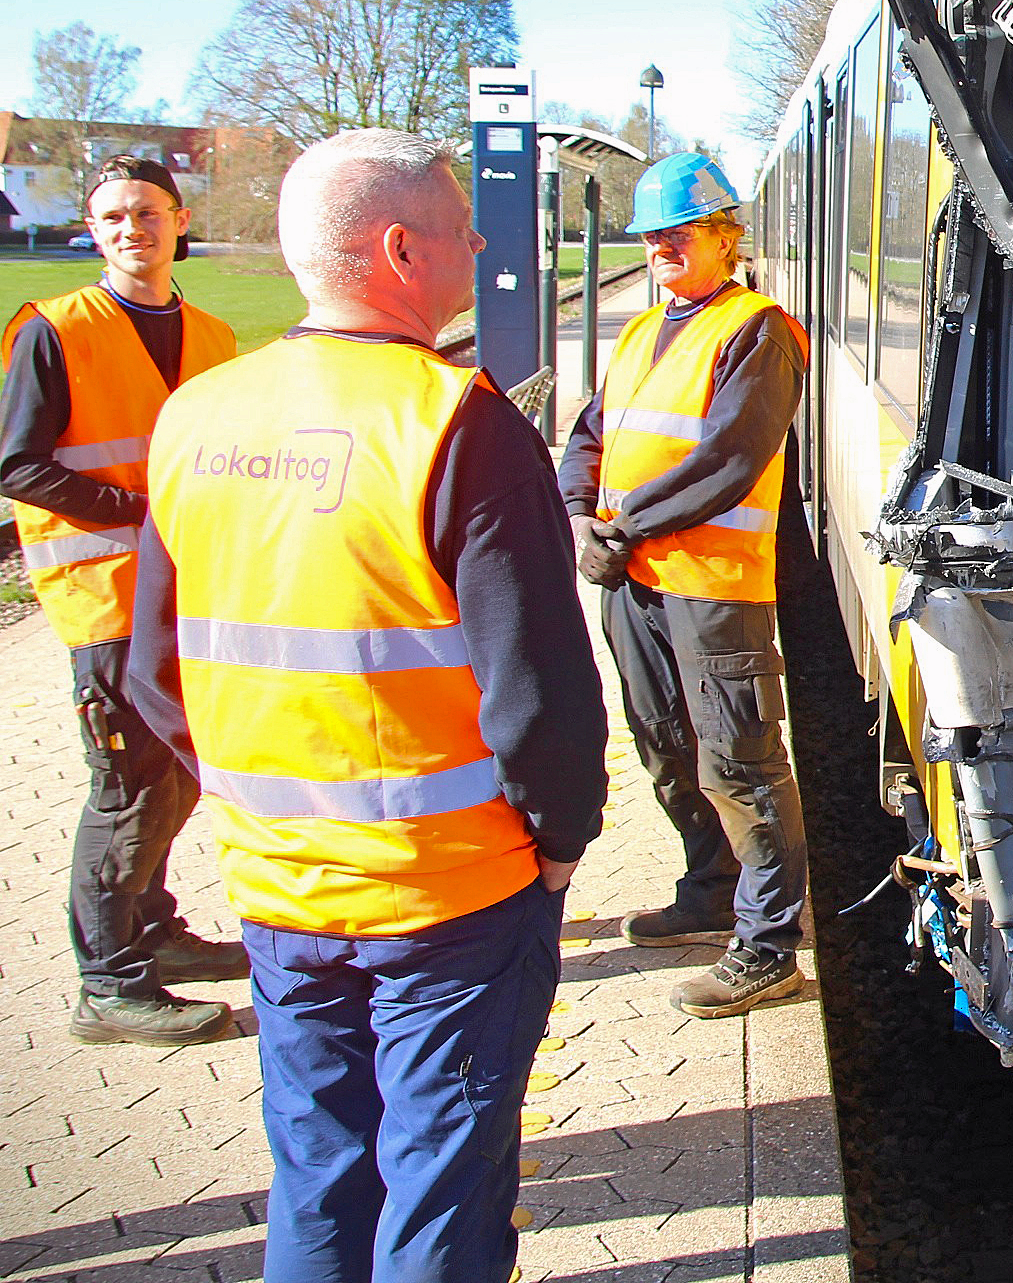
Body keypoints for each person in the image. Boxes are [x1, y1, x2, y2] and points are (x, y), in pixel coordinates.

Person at [127, 129, 607, 1283]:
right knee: (443, 1184)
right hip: (451, 890)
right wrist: (561, 846)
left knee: (321, 1168)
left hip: (278, 887)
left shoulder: (199, 413)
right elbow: (539, 691)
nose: (481, 243)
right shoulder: (459, 422)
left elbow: (150, 671)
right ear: (399, 249)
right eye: (460, 228)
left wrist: (265, 807)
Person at [559, 150, 812, 1018]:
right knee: (665, 746)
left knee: (739, 761)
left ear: (724, 237)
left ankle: (769, 947)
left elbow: (731, 460)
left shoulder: (757, 329)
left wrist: (620, 528)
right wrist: (576, 514)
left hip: (711, 588)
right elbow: (590, 434)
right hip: (633, 581)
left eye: (680, 232)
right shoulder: (641, 331)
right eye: (653, 235)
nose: (663, 247)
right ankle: (711, 888)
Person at [1, 155, 244, 1045]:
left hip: (191, 594)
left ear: (178, 221)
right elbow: (16, 462)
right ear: (93, 233)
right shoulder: (54, 331)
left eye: (146, 212)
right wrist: (140, 513)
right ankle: (107, 981)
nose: (130, 229)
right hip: (105, 601)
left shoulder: (214, 336)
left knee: (176, 773)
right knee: (127, 788)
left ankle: (156, 931)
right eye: (111, 218)